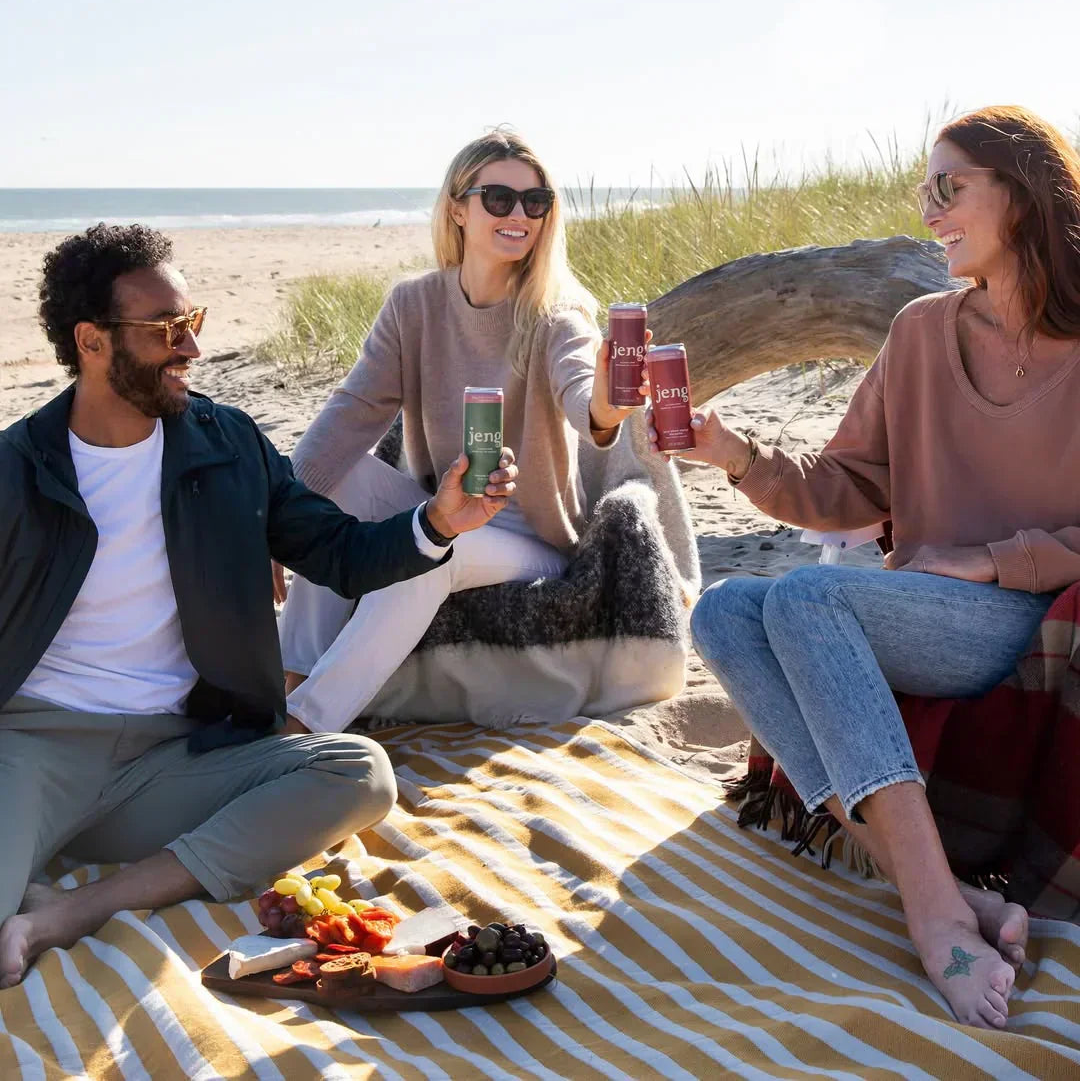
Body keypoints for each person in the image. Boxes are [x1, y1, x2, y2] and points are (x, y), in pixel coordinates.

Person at [0, 223, 517, 989]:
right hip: (34, 752)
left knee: (360, 772)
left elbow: (339, 553)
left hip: (176, 756)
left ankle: (74, 909)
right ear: (92, 341)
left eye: (194, 323)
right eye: (168, 331)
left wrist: (439, 522)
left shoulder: (227, 443)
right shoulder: (17, 470)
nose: (192, 350)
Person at [661, 105, 1080, 1031]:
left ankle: (931, 912)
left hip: (1032, 618)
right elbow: (848, 487)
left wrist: (991, 563)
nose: (929, 210)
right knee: (725, 613)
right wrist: (733, 452)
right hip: (909, 606)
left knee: (808, 596)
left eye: (949, 187)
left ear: (1023, 196)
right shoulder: (922, 332)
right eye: (923, 190)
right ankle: (943, 890)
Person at [278, 127, 646, 732]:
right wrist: (274, 517)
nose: (518, 215)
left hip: (530, 542)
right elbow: (349, 414)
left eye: (536, 202)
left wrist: (606, 402)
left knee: (435, 548)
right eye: (498, 198)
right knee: (339, 481)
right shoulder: (413, 305)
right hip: (443, 505)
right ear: (457, 206)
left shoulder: (558, 312)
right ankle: (294, 679)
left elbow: (584, 397)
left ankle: (306, 725)